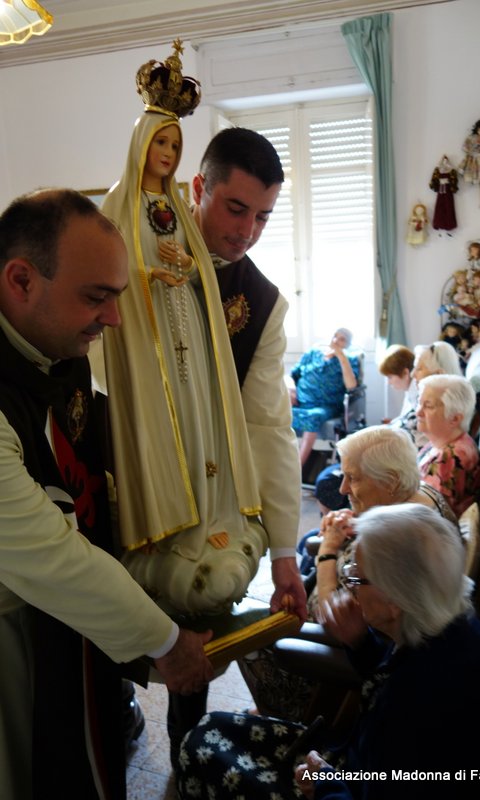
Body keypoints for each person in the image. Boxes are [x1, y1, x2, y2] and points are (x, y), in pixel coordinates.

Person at [99, 43, 305, 764]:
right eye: (235, 208)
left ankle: (186, 747)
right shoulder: (126, 244)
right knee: (106, 629)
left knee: (200, 625)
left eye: (263, 218)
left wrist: (287, 550)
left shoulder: (263, 303)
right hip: (125, 465)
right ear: (196, 187)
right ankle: (116, 712)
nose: (246, 231)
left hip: (209, 491)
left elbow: (268, 426)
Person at [0, 188, 214, 800]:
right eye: (96, 297)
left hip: (65, 620)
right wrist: (166, 644)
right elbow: (51, 556)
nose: (113, 319)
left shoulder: (52, 343)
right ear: (21, 281)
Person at [175, 504, 480, 800]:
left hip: (348, 784)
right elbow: (390, 677)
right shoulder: (449, 626)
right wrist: (361, 642)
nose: (350, 585)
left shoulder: (419, 701)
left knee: (199, 748)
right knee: (212, 727)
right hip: (356, 768)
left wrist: (325, 782)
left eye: (357, 578)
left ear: (394, 598)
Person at [239, 426, 456, 722]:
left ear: (391, 481)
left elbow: (334, 617)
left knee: (245, 633)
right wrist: (358, 518)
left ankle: (279, 714)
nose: (342, 489)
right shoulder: (423, 497)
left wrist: (329, 549)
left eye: (352, 478)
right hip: (380, 643)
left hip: (344, 657)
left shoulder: (389, 544)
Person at [288, 327, 360, 466]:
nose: (336, 340)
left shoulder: (350, 359)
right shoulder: (313, 353)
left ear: (347, 344)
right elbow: (291, 375)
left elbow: (351, 385)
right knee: (277, 411)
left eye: (342, 339)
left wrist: (341, 356)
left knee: (313, 417)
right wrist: (290, 388)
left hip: (325, 406)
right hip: (300, 402)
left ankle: (297, 468)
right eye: (335, 336)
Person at [416, 374, 480, 517]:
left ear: (454, 418)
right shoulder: (443, 442)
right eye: (419, 403)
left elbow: (425, 514)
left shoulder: (450, 457)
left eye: (428, 406)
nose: (418, 412)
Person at [377, 343, 416, 424]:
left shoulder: (417, 395)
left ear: (405, 373)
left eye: (390, 377)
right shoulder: (409, 390)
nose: (389, 382)